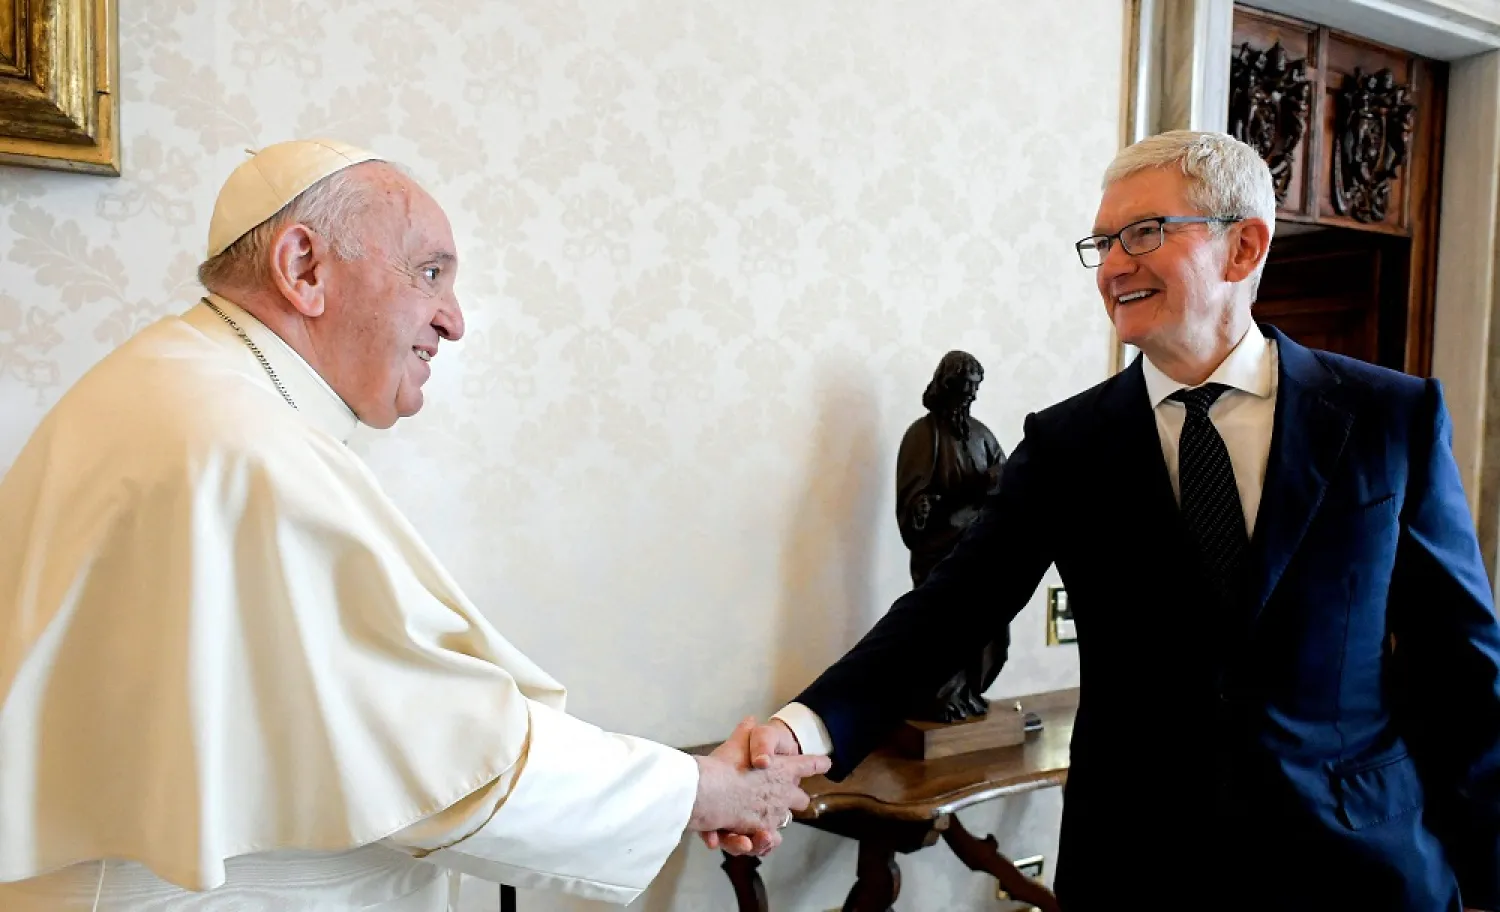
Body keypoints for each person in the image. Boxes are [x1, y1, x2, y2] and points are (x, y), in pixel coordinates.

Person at [0, 139, 828, 911]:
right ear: (303, 267)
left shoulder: (179, 390)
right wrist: (698, 790)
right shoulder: (239, 446)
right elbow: (439, 758)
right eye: (430, 273)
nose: (454, 320)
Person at [714, 131, 1500, 911]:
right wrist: (800, 731)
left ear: (1243, 247)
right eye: (1102, 243)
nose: (1115, 265)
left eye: (1144, 233)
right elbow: (949, 612)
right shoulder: (1067, 443)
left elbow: (1464, 670)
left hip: (1359, 870)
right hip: (1138, 866)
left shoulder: (1390, 417)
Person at [894, 350, 1008, 722]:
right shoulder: (923, 436)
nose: (971, 397)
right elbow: (913, 499)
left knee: (990, 629)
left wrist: (996, 482)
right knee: (941, 630)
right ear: (947, 387)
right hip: (941, 554)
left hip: (982, 549)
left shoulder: (981, 435)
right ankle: (941, 698)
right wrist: (923, 507)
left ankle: (969, 692)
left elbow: (1006, 475)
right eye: (965, 389)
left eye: (976, 389)